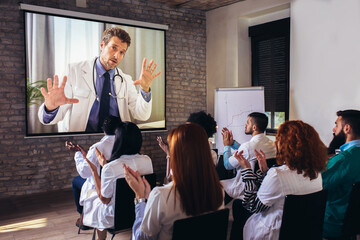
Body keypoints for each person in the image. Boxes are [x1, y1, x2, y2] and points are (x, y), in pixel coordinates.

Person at [38, 27, 161, 132]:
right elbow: (52, 119)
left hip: (116, 141)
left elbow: (141, 114)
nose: (117, 56)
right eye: (114, 48)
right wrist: (50, 108)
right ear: (102, 45)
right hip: (84, 140)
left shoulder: (126, 80)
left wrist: (145, 89)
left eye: (122, 52)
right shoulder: (74, 71)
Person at [124, 123, 224, 239]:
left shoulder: (161, 196)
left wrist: (140, 198)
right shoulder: (218, 190)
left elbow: (140, 238)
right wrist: (149, 197)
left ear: (177, 156)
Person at [233, 120, 327, 240]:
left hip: (276, 232)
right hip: (302, 231)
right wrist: (265, 172)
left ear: (284, 145)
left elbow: (252, 205)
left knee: (239, 207)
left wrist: (246, 169)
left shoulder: (277, 175)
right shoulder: (316, 173)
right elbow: (284, 187)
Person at [81, 122, 153, 240]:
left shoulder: (110, 167)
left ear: (118, 141)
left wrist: (95, 171)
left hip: (115, 217)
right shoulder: (147, 160)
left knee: (93, 200)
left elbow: (105, 199)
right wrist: (105, 166)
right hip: (140, 210)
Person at [65, 115, 121, 229]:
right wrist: (84, 155)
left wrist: (77, 154)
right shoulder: (123, 145)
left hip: (100, 187)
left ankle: (84, 218)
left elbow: (84, 172)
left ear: (103, 129)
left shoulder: (97, 147)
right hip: (119, 186)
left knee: (76, 181)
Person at [322, 110, 360, 239]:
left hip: (332, 224)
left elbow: (315, 183)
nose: (334, 129)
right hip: (354, 225)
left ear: (347, 128)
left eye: (336, 125)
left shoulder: (343, 159)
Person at [221, 112, 276, 199]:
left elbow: (227, 165)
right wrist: (233, 144)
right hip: (261, 186)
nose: (245, 125)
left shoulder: (247, 147)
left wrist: (226, 146)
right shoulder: (272, 144)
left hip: (244, 188)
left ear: (254, 127)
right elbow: (249, 153)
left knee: (215, 184)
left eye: (248, 122)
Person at [156, 111, 218, 184]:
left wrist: (170, 155)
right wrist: (169, 154)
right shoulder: (211, 154)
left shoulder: (186, 155)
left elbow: (168, 182)